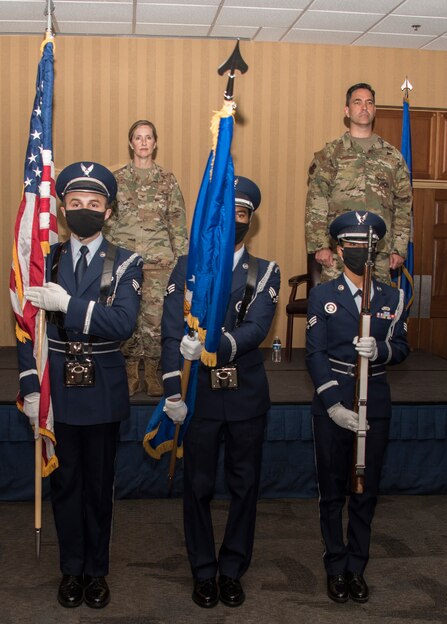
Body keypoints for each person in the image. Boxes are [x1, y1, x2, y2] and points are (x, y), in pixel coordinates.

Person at [17, 161, 143, 609]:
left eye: (94, 204)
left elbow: (123, 323)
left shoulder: (127, 261)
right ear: (62, 208)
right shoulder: (43, 259)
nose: (84, 210)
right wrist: (30, 387)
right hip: (57, 390)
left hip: (103, 387)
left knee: (99, 485)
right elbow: (26, 328)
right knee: (65, 484)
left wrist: (68, 303)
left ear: (108, 212)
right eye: (75, 204)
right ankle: (71, 570)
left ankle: (97, 570)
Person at [160, 177, 280, 608]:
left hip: (245, 393)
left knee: (245, 485)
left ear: (250, 221)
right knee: (199, 485)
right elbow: (171, 332)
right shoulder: (187, 266)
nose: (233, 221)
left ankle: (232, 568)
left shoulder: (265, 271)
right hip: (200, 397)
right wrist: (173, 392)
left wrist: (212, 346)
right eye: (225, 214)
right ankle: (203, 570)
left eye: (241, 215)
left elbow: (256, 329)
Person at [305, 210, 409, 604]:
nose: (358, 251)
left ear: (376, 250)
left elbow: (402, 347)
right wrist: (332, 404)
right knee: (331, 490)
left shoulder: (393, 297)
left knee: (365, 490)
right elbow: (314, 355)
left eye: (366, 246)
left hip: (375, 400)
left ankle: (356, 567)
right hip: (334, 398)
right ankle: (335, 566)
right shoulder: (322, 296)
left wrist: (381, 349)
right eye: (350, 245)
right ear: (337, 249)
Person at [104, 119, 188, 397]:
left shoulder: (167, 180)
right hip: (125, 261)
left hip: (159, 261)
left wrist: (182, 259)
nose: (143, 142)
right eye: (138, 137)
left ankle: (152, 371)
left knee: (154, 318)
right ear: (131, 143)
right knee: (127, 315)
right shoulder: (116, 181)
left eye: (148, 137)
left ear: (155, 143)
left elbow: (177, 221)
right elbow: (108, 221)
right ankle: (129, 371)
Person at [305, 83, 412, 284]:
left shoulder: (392, 157)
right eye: (357, 102)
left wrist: (399, 249)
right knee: (336, 310)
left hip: (379, 254)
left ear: (375, 110)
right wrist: (320, 245)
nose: (364, 107)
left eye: (369, 102)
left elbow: (403, 205)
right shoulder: (331, 154)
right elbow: (317, 200)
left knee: (379, 311)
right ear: (347, 111)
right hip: (339, 255)